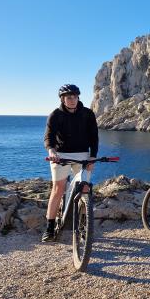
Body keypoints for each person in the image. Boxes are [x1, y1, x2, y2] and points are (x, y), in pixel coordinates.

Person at [43, 84, 99, 242]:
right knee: (58, 188)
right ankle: (49, 228)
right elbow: (49, 137)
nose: (72, 100)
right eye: (69, 97)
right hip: (60, 155)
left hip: (83, 155)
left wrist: (92, 157)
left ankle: (83, 226)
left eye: (75, 97)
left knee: (85, 188)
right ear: (63, 99)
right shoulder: (55, 115)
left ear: (78, 98)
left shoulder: (87, 114)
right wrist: (52, 151)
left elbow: (94, 137)